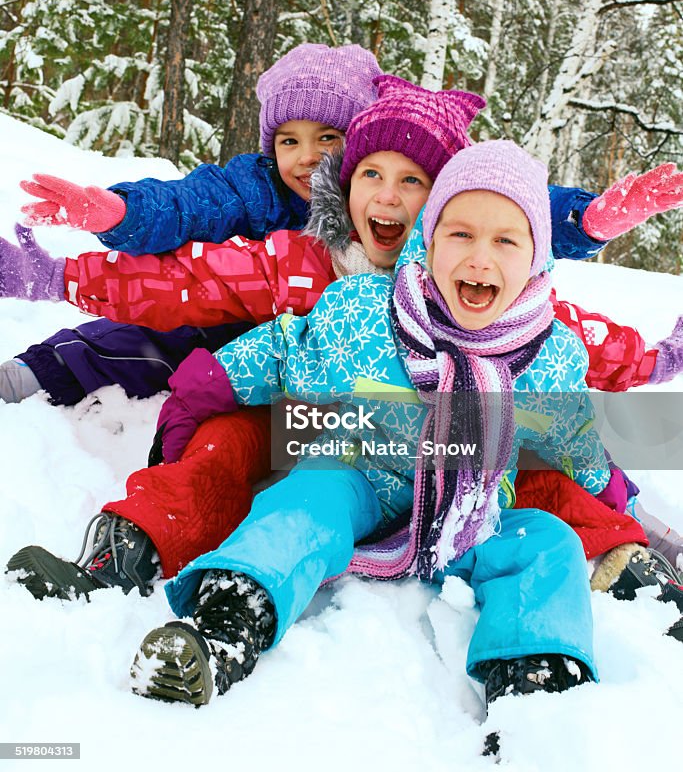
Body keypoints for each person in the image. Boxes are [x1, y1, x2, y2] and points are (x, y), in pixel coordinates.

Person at [4, 81, 683, 595]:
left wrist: (658, 359)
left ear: (443, 203)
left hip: (452, 453)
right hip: (326, 441)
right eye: (370, 176)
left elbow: (576, 344)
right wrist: (62, 274)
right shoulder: (305, 260)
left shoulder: (481, 281)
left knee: (540, 467)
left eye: (412, 181)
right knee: (224, 443)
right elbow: (188, 283)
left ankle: (635, 573)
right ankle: (127, 549)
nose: (387, 199)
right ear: (344, 185)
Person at [128, 140, 611, 732]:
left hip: (472, 508)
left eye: (506, 241)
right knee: (309, 493)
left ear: (536, 259)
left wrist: (617, 497)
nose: (480, 258)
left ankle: (538, 688)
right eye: (460, 234)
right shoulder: (361, 309)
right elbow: (284, 352)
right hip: (362, 474)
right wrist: (204, 386)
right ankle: (228, 618)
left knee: (548, 543)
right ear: (428, 240)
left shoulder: (551, 355)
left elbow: (576, 436)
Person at [0, 42, 382, 405]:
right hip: (240, 332)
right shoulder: (257, 187)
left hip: (335, 368)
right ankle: (42, 371)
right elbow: (191, 204)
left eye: (328, 138)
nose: (306, 157)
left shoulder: (381, 206)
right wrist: (124, 213)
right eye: (289, 141)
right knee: (168, 319)